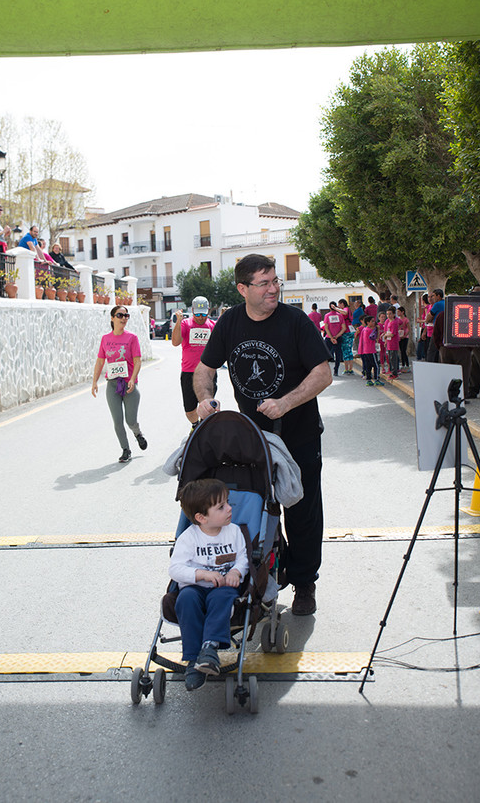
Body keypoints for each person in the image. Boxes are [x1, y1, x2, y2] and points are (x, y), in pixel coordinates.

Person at [193, 253, 332, 617]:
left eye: (275, 282)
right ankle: (260, 573)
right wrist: (206, 399)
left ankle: (305, 583)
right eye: (265, 283)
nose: (273, 289)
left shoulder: (295, 321)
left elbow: (323, 373)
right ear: (243, 289)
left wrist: (286, 403)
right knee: (252, 507)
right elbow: (203, 370)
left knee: (301, 510)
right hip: (251, 438)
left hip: (298, 435)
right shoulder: (229, 323)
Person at [169, 478, 248, 691]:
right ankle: (194, 660)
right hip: (195, 588)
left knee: (222, 597)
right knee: (185, 599)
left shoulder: (234, 531)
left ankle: (209, 647)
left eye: (228, 502)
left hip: (222, 586)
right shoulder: (189, 538)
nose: (230, 508)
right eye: (221, 506)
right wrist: (200, 574)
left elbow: (243, 558)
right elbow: (175, 569)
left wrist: (236, 571)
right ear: (201, 517)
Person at [91, 304, 148, 462]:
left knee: (130, 420)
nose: (124, 318)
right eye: (120, 315)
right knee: (117, 421)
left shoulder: (132, 338)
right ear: (112, 318)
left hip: (129, 386)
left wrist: (132, 379)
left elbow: (137, 361)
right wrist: (94, 381)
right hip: (112, 385)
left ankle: (137, 433)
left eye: (126, 316)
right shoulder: (105, 339)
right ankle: (125, 450)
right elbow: (100, 361)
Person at [172, 295, 216, 427]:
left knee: (208, 406)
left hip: (208, 372)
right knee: (190, 409)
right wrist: (178, 322)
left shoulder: (213, 326)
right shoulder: (186, 324)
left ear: (208, 311)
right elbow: (175, 342)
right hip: (188, 372)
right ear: (192, 311)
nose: (201, 317)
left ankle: (204, 428)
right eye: (197, 314)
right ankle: (195, 425)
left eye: (203, 314)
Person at [358, 314, 384, 387]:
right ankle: (376, 379)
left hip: (365, 350)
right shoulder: (370, 330)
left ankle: (369, 380)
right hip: (371, 350)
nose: (374, 323)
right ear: (368, 322)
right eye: (372, 321)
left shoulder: (364, 329)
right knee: (376, 365)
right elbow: (376, 338)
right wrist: (378, 330)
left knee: (368, 366)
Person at [323, 301, 347, 377]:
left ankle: (326, 371)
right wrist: (336, 337)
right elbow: (344, 328)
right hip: (338, 338)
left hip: (329, 338)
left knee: (325, 356)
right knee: (338, 355)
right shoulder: (340, 316)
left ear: (329, 307)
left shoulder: (327, 315)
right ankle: (336, 370)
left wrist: (331, 337)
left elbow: (326, 328)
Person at [337, 298, 355, 375]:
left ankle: (347, 369)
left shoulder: (345, 309)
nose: (338, 306)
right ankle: (350, 368)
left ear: (342, 304)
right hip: (350, 331)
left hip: (346, 332)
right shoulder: (349, 309)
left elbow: (344, 313)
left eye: (339, 304)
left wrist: (335, 309)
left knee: (345, 350)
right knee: (349, 350)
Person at [383, 307, 401, 379]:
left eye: (390, 314)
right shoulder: (388, 321)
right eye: (387, 314)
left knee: (393, 358)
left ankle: (394, 373)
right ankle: (392, 371)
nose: (388, 315)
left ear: (394, 314)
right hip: (389, 342)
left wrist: (385, 336)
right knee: (390, 357)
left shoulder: (394, 322)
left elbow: (392, 334)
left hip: (393, 342)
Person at [398, 306, 410, 372]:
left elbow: (409, 328)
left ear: (403, 312)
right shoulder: (398, 319)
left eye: (399, 311)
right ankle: (403, 365)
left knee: (403, 350)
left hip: (405, 337)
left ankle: (407, 364)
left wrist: (405, 335)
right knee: (401, 350)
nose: (398, 313)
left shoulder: (406, 319)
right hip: (399, 336)